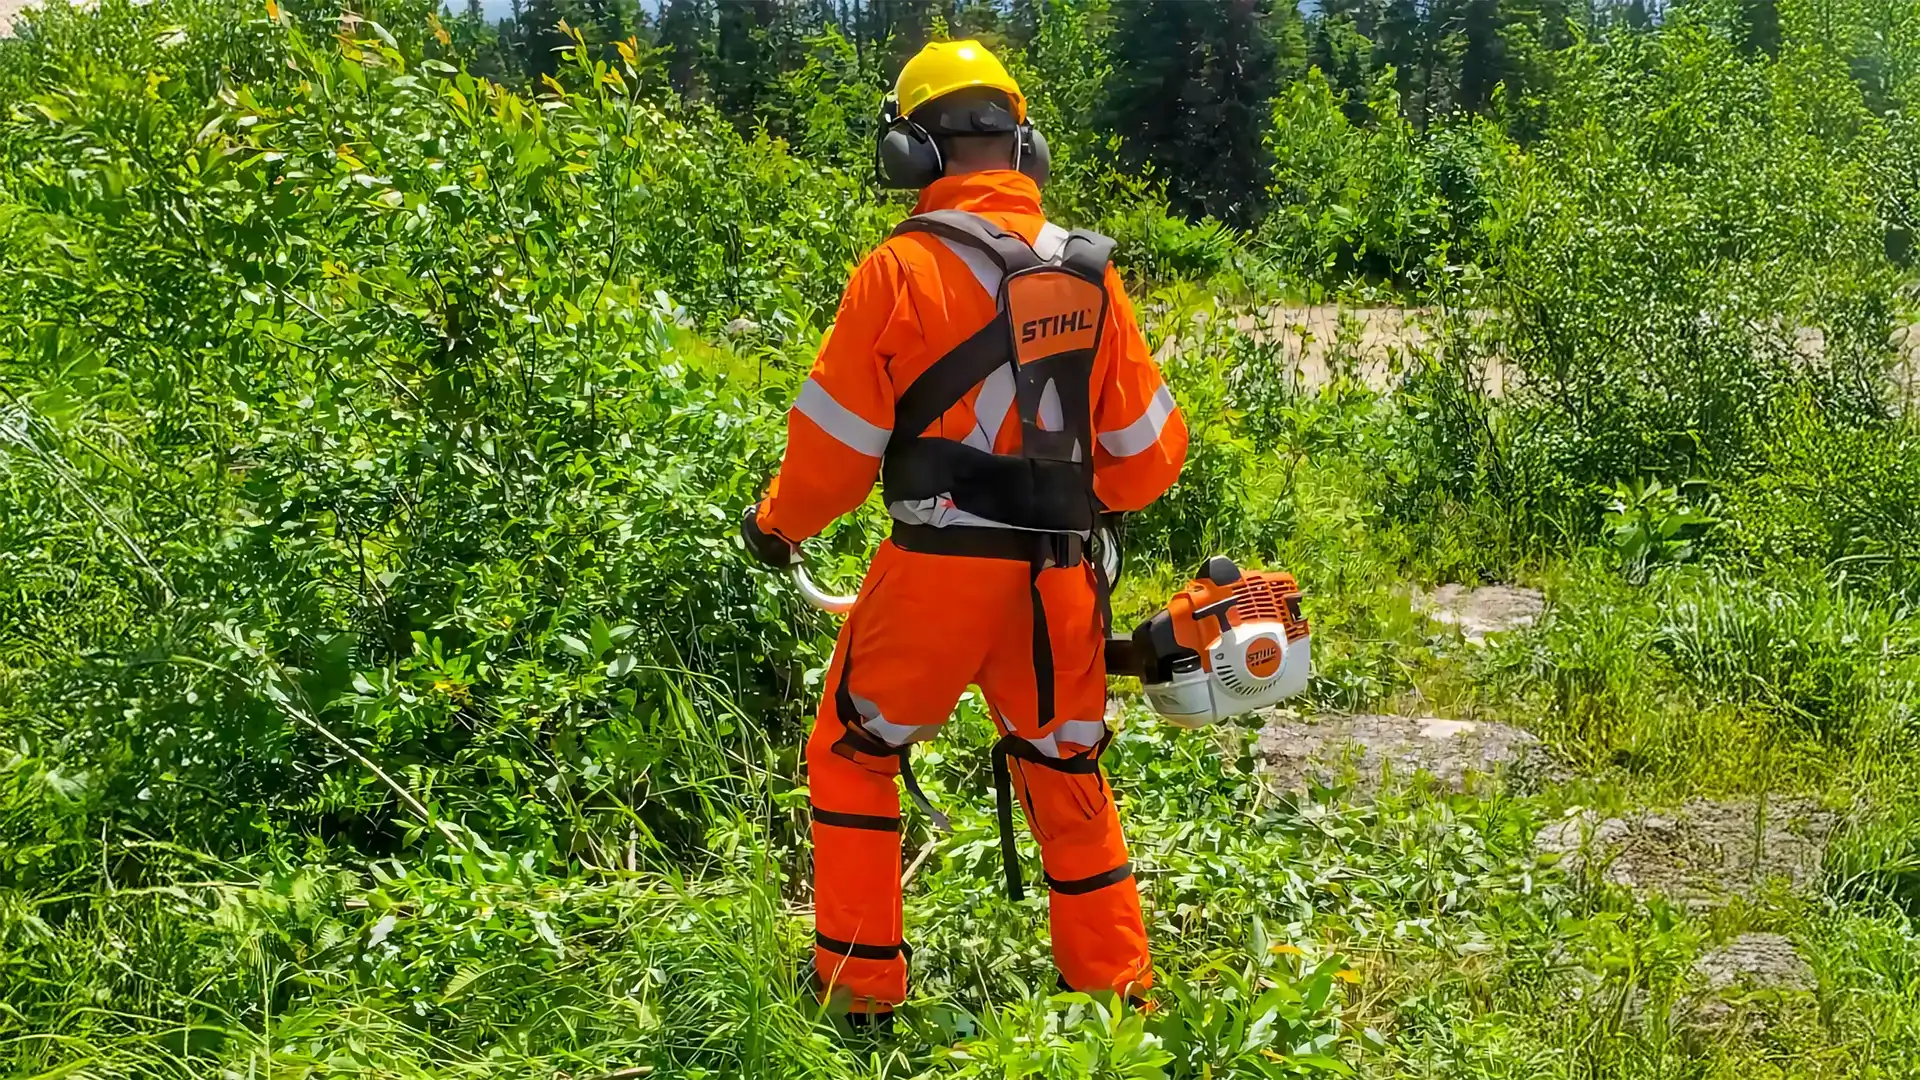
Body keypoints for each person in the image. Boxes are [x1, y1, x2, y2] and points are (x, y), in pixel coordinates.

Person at [739, 39, 1188, 1021]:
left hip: (935, 576)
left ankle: (859, 994)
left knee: (854, 754)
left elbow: (832, 458)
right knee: (1066, 769)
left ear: (911, 154)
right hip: (1058, 586)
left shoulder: (896, 272)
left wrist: (777, 526)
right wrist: (1072, 492)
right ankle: (1120, 1004)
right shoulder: (1088, 274)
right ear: (1023, 145)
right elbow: (1151, 457)